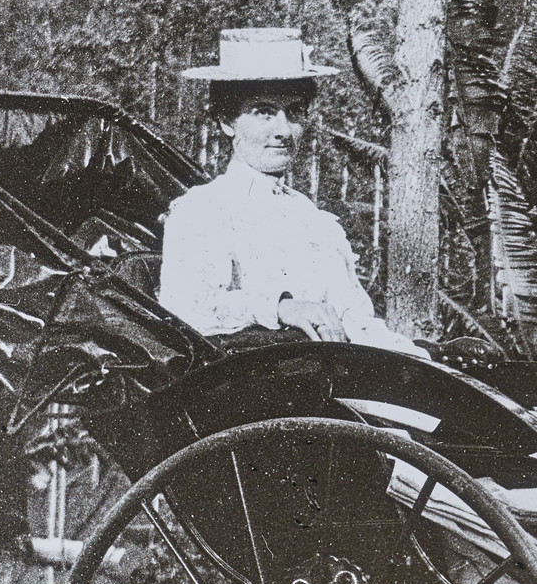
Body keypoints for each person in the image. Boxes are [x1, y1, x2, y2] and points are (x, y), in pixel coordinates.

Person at [158, 27, 425, 355]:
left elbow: (355, 320)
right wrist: (281, 308)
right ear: (227, 122)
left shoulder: (313, 220)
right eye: (264, 112)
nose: (284, 131)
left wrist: (420, 364)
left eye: (295, 112)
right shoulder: (201, 212)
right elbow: (186, 314)